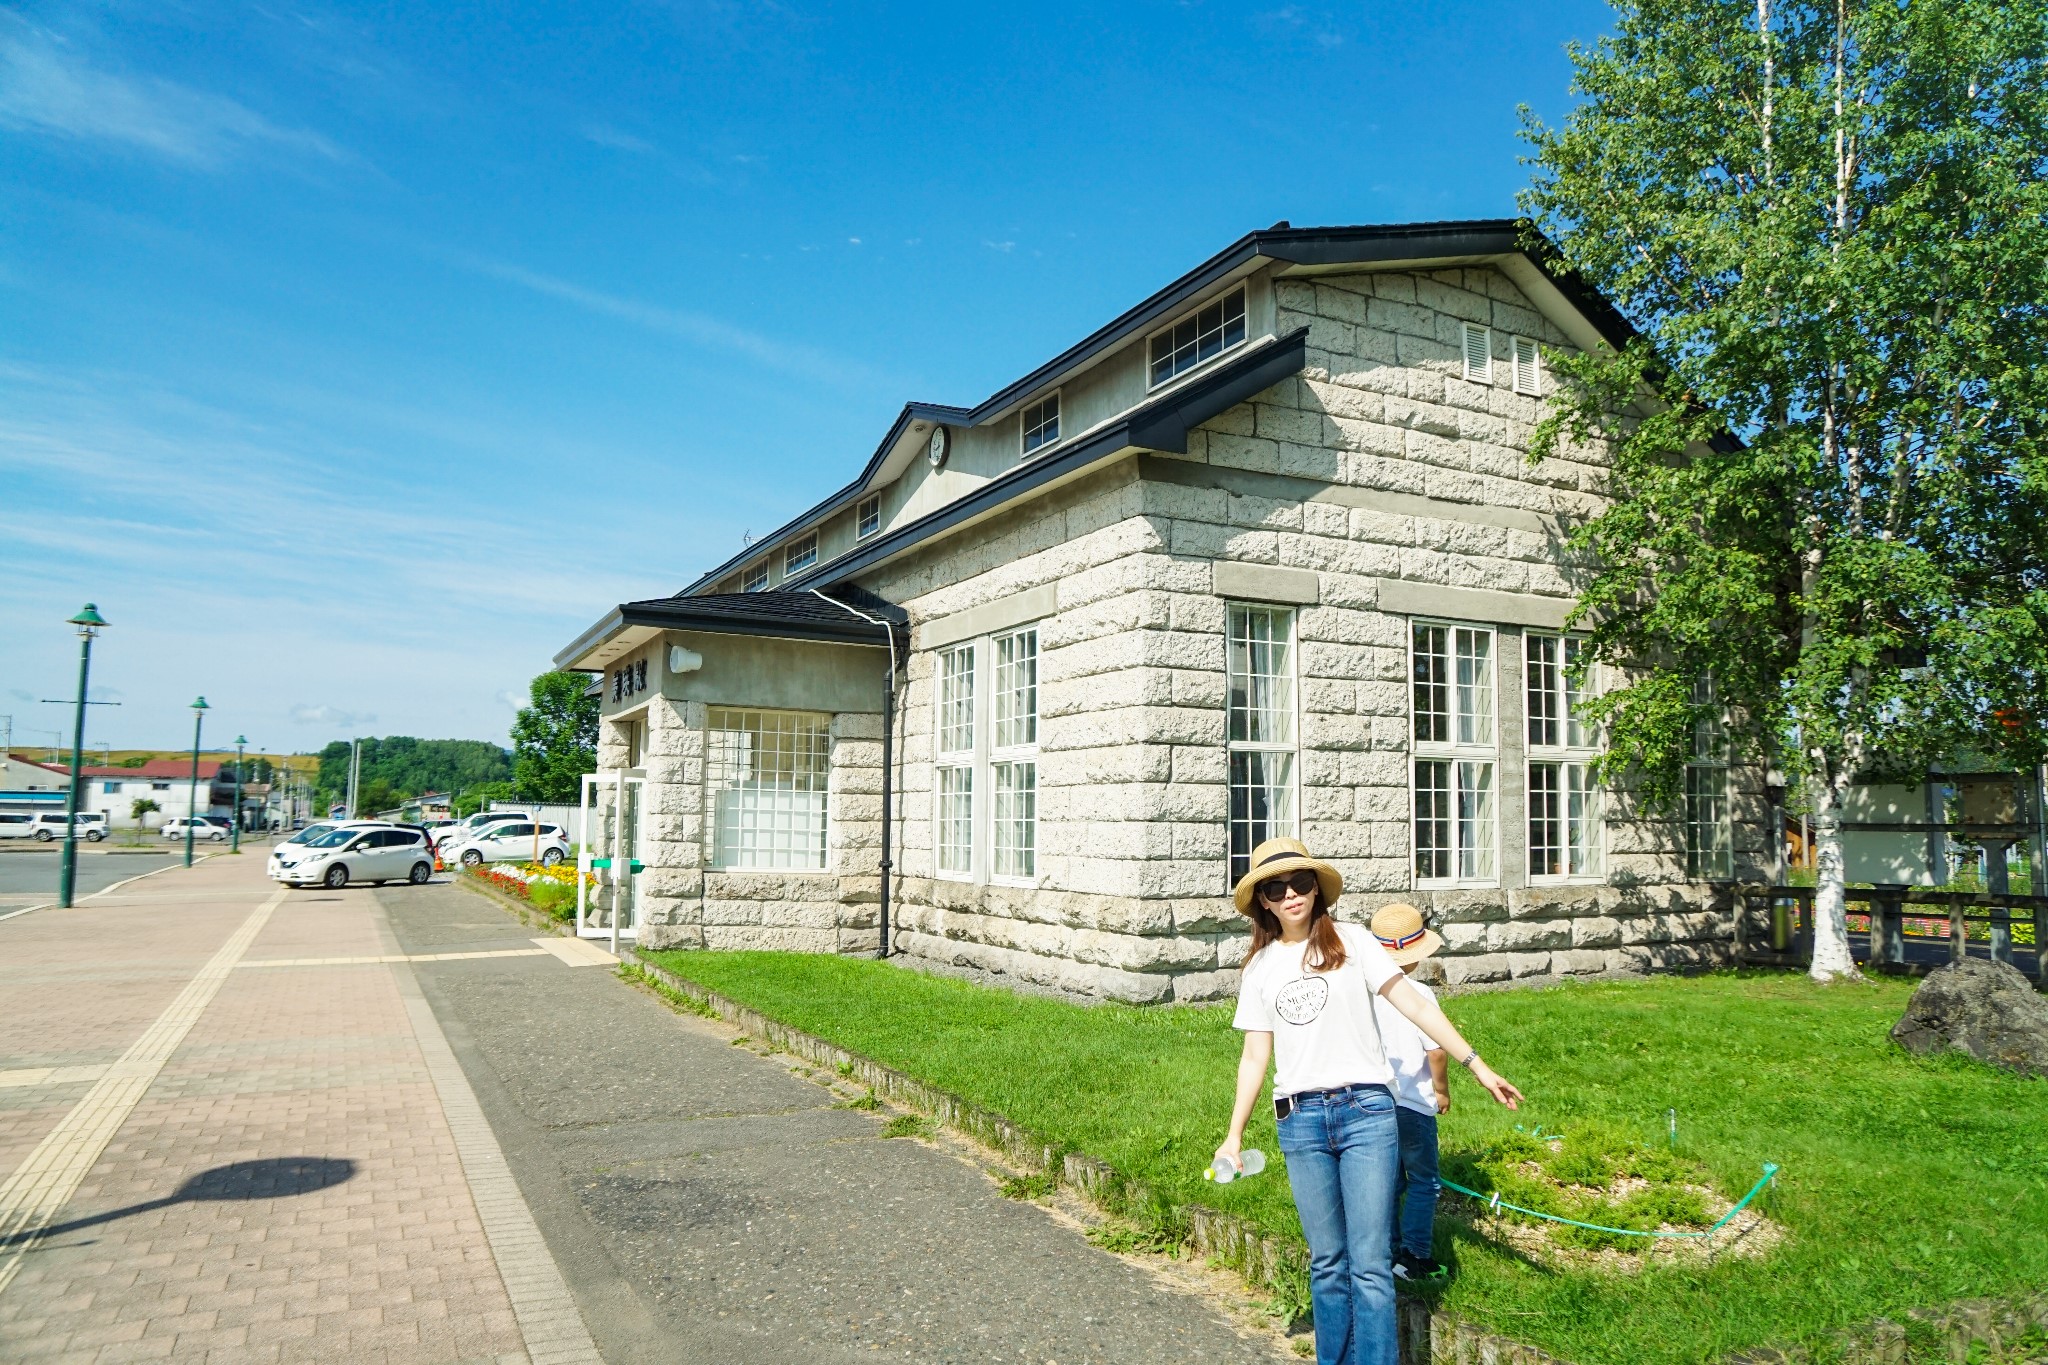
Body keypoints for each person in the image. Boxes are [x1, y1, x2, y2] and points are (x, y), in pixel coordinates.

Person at [1217, 839, 1522, 1365]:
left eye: (1301, 883)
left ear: (1317, 889)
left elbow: (1414, 1007)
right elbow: (1253, 1058)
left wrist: (1477, 1065)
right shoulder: (1261, 969)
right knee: (1328, 1261)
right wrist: (1234, 1134)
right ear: (1262, 901)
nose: (1291, 894)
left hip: (1367, 1115)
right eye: (1276, 887)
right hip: (1301, 1121)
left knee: (1371, 1263)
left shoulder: (1354, 942)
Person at [1367, 902, 1450, 1283]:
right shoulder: (1418, 995)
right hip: (1414, 1104)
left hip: (1375, 1102)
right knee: (1423, 1181)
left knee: (1390, 1180)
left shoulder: (1364, 994)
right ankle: (1415, 1256)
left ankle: (1388, 1251)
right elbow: (1436, 1050)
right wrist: (1442, 1092)